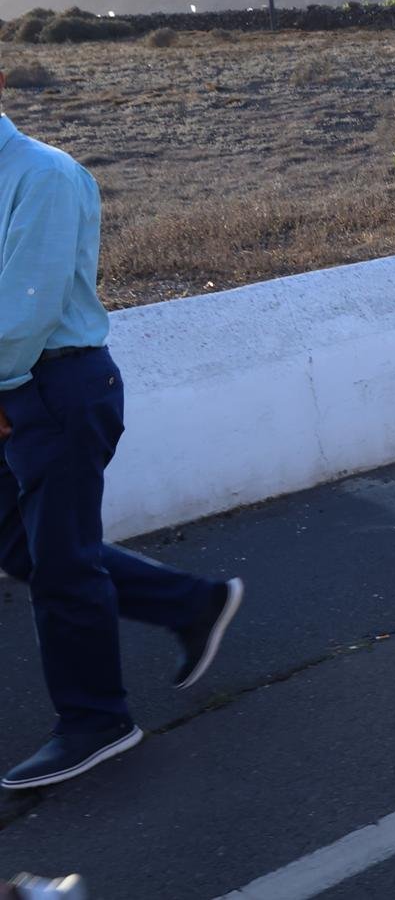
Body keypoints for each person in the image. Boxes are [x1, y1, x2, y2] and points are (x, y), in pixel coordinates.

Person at [0, 69, 245, 792]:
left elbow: (26, 312)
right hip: (19, 388)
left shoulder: (42, 175)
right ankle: (191, 603)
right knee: (24, 544)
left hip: (53, 388)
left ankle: (96, 721)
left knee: (61, 566)